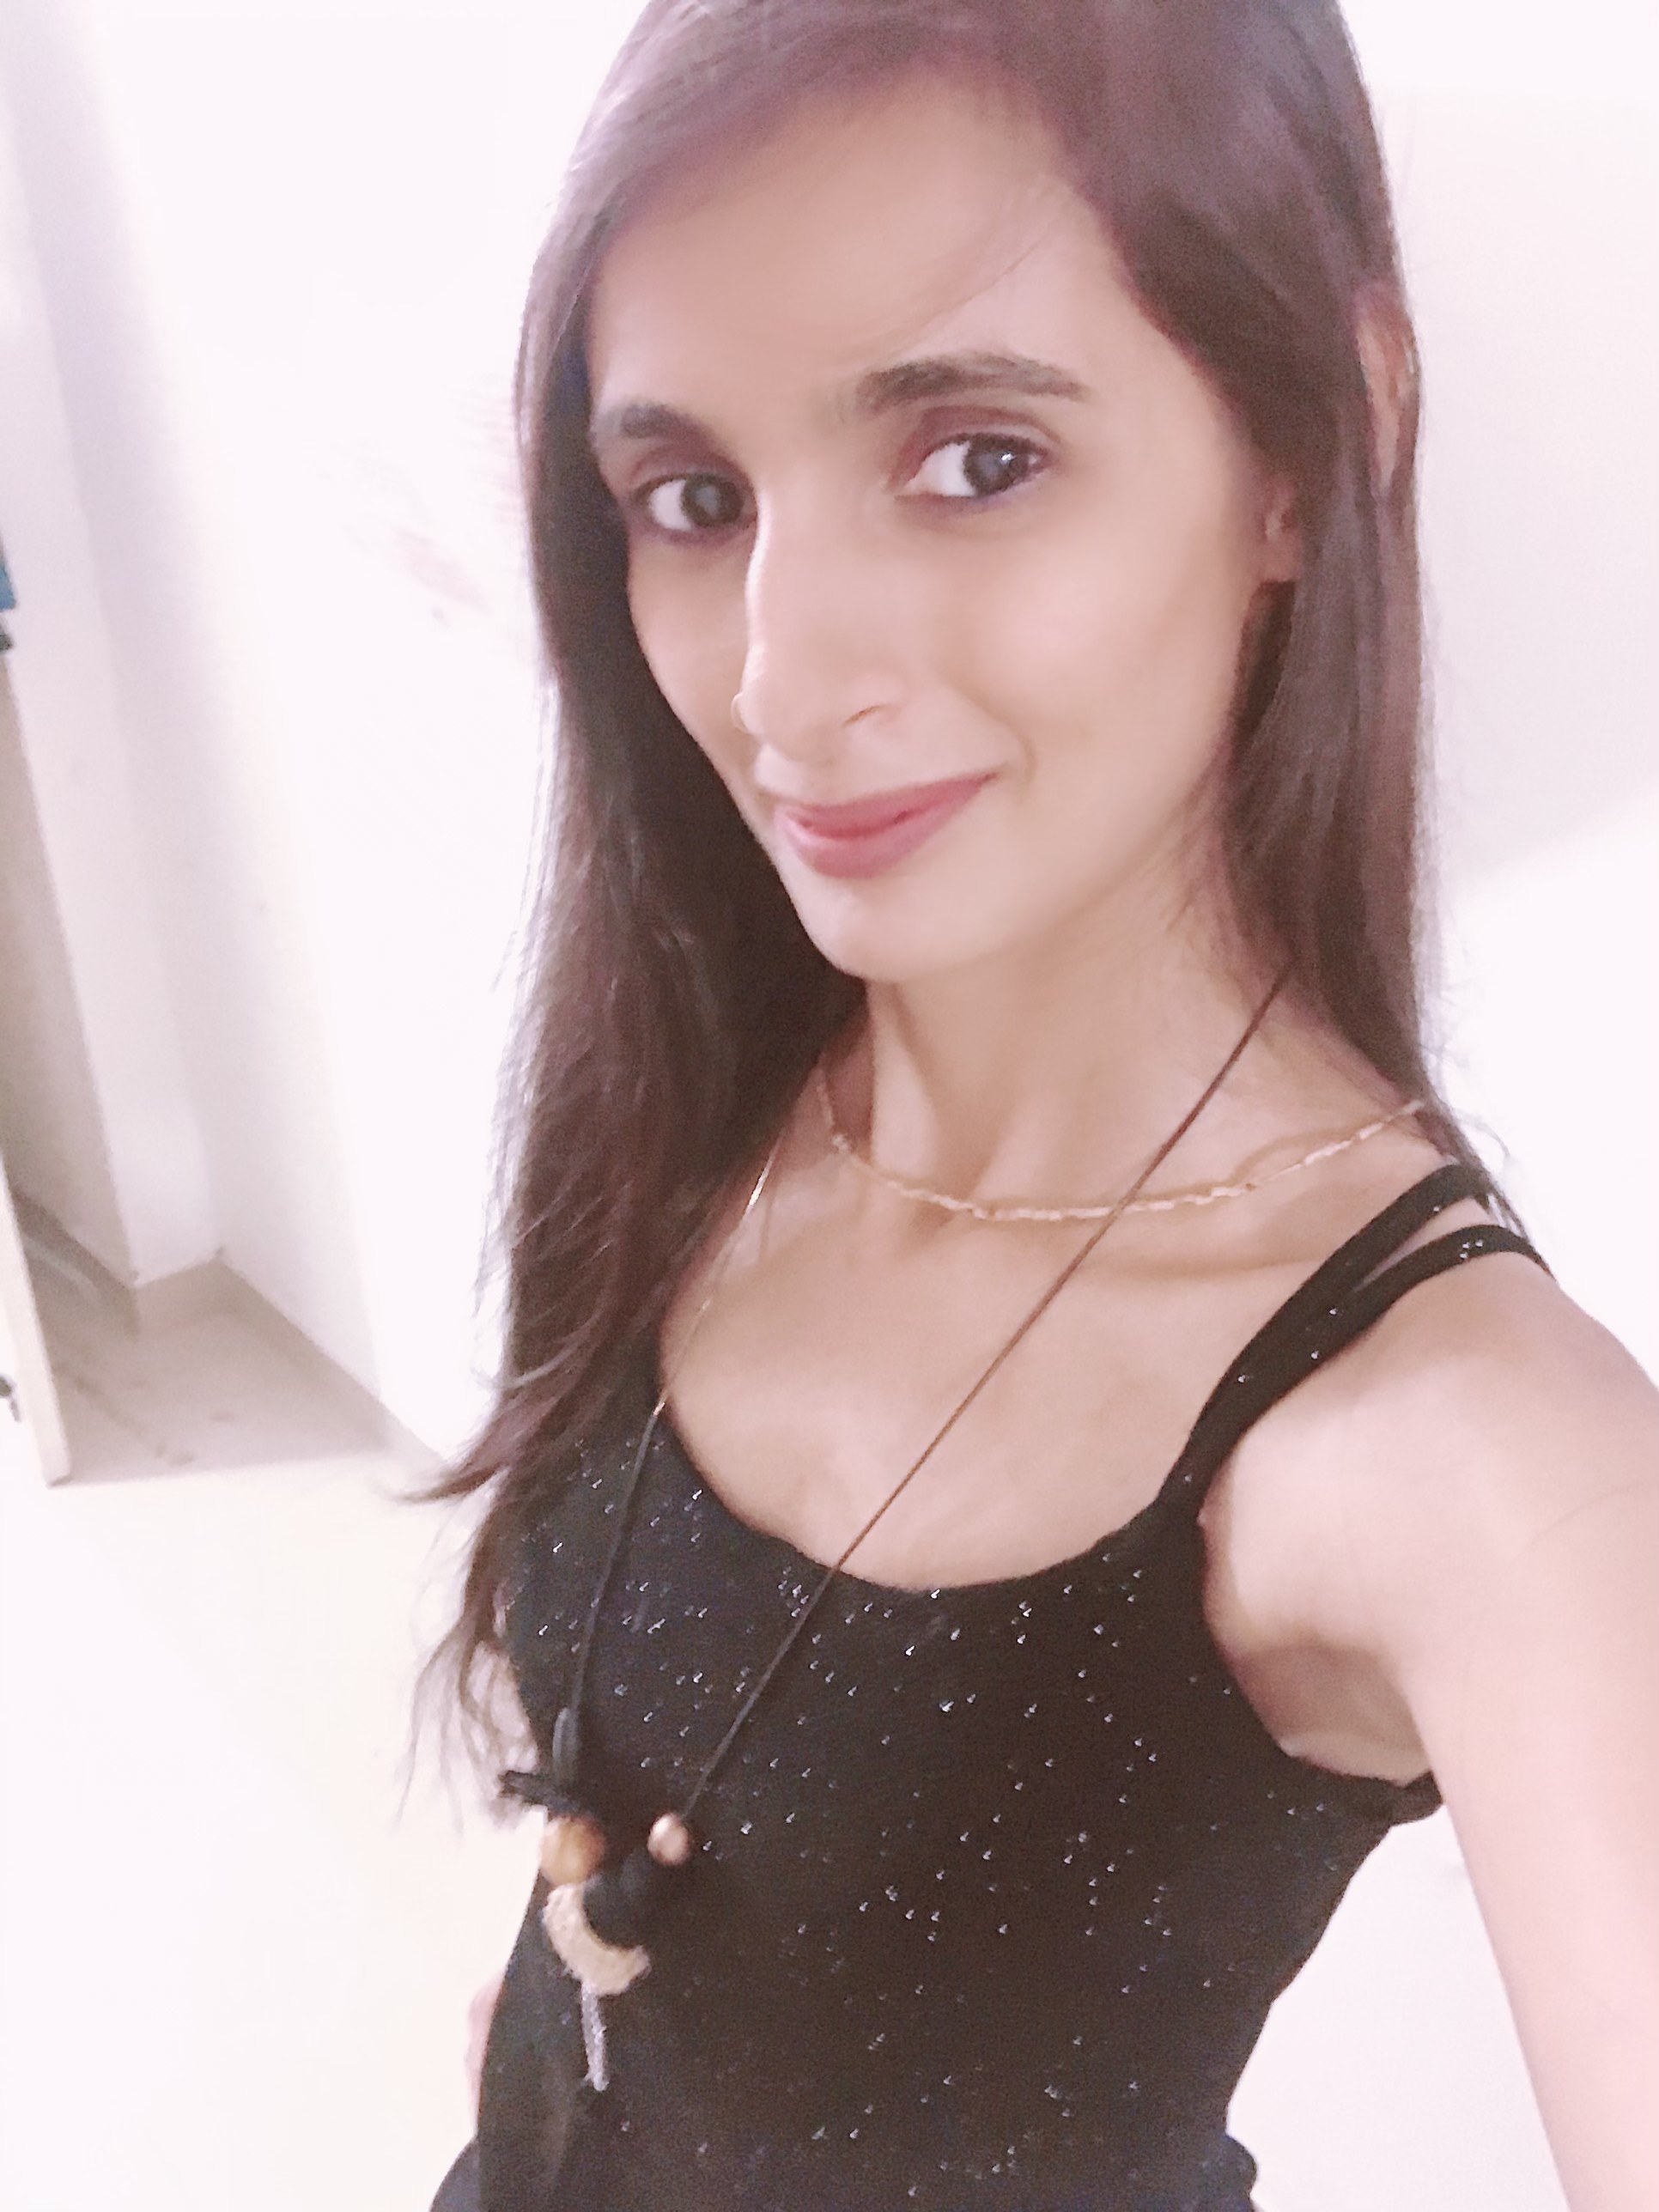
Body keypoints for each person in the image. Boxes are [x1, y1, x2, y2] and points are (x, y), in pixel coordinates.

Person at [423, 2, 1659, 2206]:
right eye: (695, 501)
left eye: (978, 459)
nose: (783, 677)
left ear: (1315, 445)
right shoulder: (723, 1086)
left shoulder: (1466, 1447)